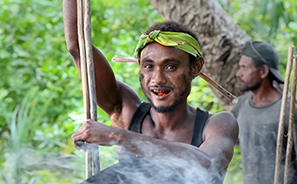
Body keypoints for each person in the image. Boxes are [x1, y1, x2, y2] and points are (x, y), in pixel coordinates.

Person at [63, 0, 238, 183]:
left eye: (171, 67)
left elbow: (208, 164)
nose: (158, 79)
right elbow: (78, 45)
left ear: (195, 67)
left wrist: (118, 135)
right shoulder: (126, 111)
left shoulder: (217, 124)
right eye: (149, 66)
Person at [232, 40, 297, 184]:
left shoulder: (289, 110)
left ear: (263, 72)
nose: (238, 73)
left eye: (244, 67)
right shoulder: (240, 105)